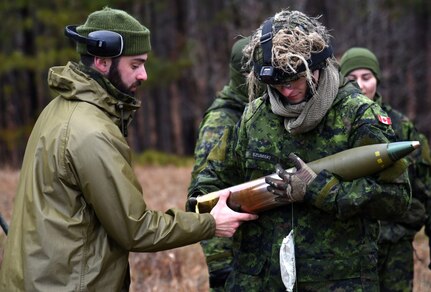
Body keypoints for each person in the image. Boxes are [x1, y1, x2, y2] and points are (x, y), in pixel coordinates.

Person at [0, 7, 258, 291]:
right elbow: (135, 228)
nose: (144, 75)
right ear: (101, 61)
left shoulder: (58, 109)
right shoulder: (91, 132)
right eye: (135, 65)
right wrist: (208, 223)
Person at [188, 9, 411, 291]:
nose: (285, 92)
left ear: (316, 66)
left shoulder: (358, 115)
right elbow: (211, 178)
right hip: (260, 279)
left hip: (337, 280)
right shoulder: (255, 116)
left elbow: (397, 199)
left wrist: (322, 190)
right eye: (276, 84)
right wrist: (205, 207)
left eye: (293, 81)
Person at [340, 47, 431, 291]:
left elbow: (426, 186)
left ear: (377, 79)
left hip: (395, 247)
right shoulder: (335, 125)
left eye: (366, 77)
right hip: (348, 248)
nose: (360, 85)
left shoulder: (400, 126)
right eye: (351, 78)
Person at [187, 36, 250, 290]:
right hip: (233, 258)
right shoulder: (222, 121)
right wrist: (221, 265)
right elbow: (205, 198)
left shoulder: (260, 111)